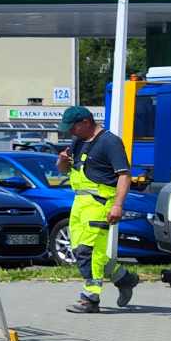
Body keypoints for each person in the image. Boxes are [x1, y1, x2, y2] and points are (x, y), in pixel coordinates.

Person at [57, 104, 137, 313]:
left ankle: (90, 298)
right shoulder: (78, 142)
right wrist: (62, 161)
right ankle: (123, 278)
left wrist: (118, 205)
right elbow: (64, 170)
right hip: (81, 203)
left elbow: (124, 175)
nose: (70, 132)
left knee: (89, 252)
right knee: (78, 250)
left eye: (72, 127)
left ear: (86, 122)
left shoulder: (110, 142)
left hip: (101, 203)